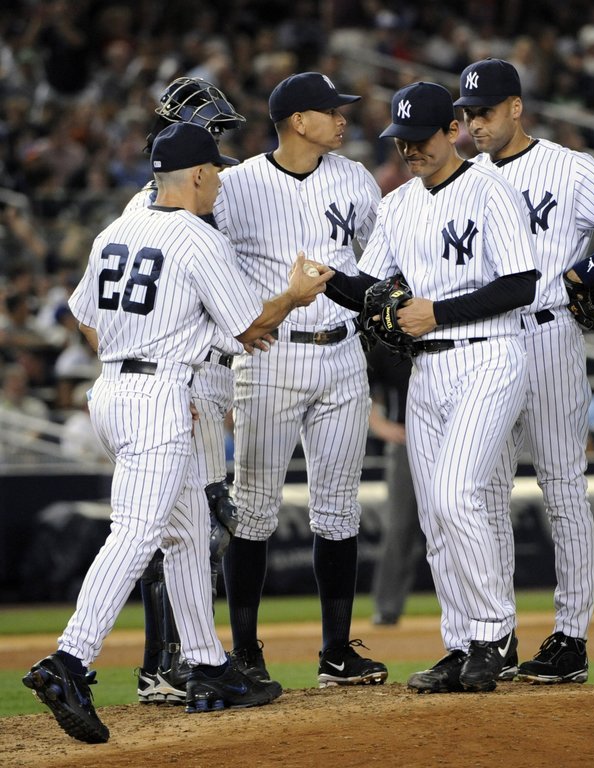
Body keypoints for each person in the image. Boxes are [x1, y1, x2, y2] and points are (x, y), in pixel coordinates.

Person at [23, 121, 330, 743]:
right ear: (197, 175)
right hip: (157, 397)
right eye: (215, 171)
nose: (219, 181)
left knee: (187, 531)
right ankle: (69, 660)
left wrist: (151, 362)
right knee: (137, 532)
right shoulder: (196, 237)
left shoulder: (117, 228)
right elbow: (249, 326)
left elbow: (84, 317)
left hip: (115, 390)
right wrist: (296, 296)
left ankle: (208, 665)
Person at [312, 80, 538, 693]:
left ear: (451, 131)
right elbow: (374, 290)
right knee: (436, 515)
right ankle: (462, 643)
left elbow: (521, 283)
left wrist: (436, 312)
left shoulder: (491, 187)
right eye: (401, 140)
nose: (410, 149)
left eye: (420, 138)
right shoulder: (398, 205)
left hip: (490, 354)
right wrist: (329, 278)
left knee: (459, 494)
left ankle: (494, 636)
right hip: (428, 368)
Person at [454, 58, 594, 684]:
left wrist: (590, 270)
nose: (474, 124)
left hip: (547, 335)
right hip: (484, 341)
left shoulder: (568, 167)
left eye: (484, 111)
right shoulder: (465, 178)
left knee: (562, 488)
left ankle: (571, 638)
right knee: (484, 492)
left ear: (516, 108)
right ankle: (495, 634)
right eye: (467, 114)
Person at [212, 72, 387, 688]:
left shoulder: (355, 178)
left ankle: (337, 652)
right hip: (270, 355)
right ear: (297, 121)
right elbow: (199, 255)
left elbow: (382, 259)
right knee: (254, 511)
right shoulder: (236, 185)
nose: (343, 119)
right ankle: (244, 653)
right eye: (331, 110)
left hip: (343, 353)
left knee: (339, 510)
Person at [123, 76, 251, 705]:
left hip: (204, 374)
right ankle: (165, 664)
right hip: (176, 378)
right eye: (212, 129)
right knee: (183, 524)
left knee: (198, 521)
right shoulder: (152, 206)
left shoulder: (204, 194)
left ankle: (188, 660)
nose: (219, 141)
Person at [366, 343, 422, 626]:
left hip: (452, 436)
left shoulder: (448, 332)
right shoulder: (388, 344)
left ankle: (473, 608)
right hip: (406, 442)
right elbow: (360, 387)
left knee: (458, 521)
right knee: (400, 526)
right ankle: (387, 607)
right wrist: (379, 425)